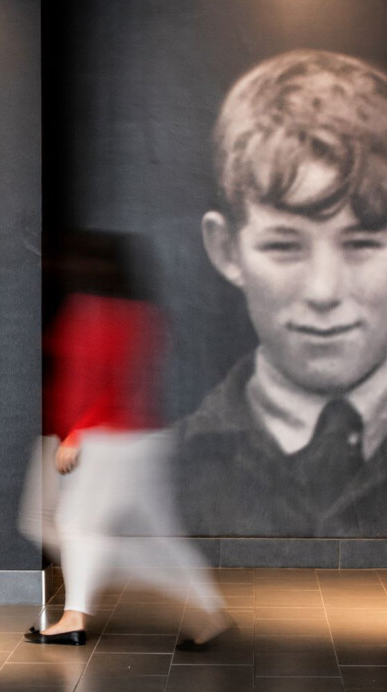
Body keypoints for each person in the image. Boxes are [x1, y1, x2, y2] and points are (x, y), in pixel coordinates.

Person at [176, 49, 387, 538]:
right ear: (227, 251)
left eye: (362, 244)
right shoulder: (158, 478)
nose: (324, 291)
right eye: (284, 246)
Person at [20, 232, 231, 648]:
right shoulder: (141, 314)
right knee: (154, 535)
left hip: (108, 442)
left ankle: (74, 618)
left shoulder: (91, 312)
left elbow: (100, 384)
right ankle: (207, 610)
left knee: (77, 527)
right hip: (143, 440)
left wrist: (77, 433)